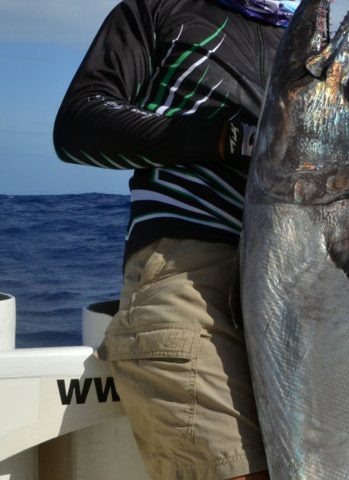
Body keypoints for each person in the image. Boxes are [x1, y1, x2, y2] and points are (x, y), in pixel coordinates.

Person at [53, 0, 299, 478]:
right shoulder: (159, 8)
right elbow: (78, 124)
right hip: (192, 270)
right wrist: (227, 139)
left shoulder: (310, 46)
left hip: (299, 286)